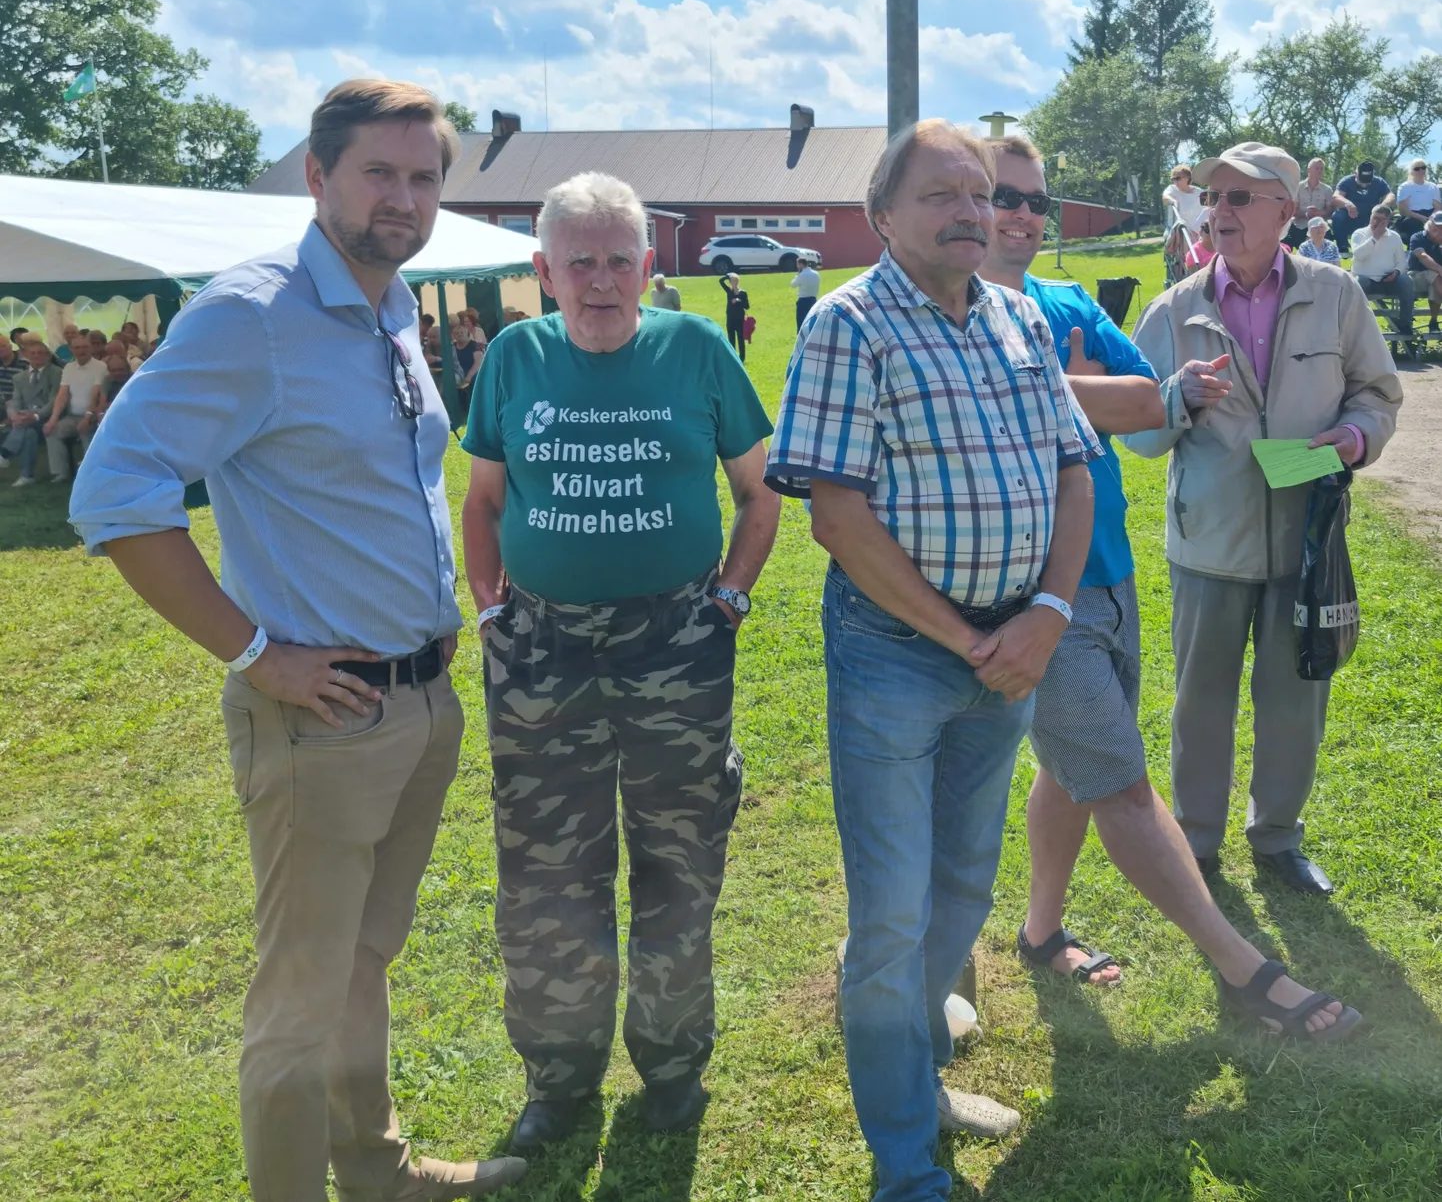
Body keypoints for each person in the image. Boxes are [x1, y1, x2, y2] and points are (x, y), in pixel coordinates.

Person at [69, 78, 527, 1202]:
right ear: (317, 176)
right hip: (319, 714)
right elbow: (114, 491)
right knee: (300, 995)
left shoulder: (386, 305)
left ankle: (373, 1169)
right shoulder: (252, 312)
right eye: (379, 171)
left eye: (423, 178)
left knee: (362, 961)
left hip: (414, 701)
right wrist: (253, 653)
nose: (404, 198)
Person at [766, 119, 1101, 1202]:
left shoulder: (1010, 318)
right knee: (892, 912)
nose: (972, 211)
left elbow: (1070, 469)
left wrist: (1046, 610)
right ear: (881, 217)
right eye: (942, 195)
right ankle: (903, 1165)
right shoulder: (847, 325)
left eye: (983, 192)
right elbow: (836, 517)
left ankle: (915, 1077)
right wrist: (970, 641)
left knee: (960, 888)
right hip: (899, 658)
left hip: (1010, 643)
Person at [980, 134, 1361, 1043]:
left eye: (1040, 202)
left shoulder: (1069, 300)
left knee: (1068, 773)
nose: (1024, 215)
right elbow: (1124, 404)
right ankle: (1249, 972)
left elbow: (1155, 396)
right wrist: (1081, 389)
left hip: (1105, 572)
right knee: (1117, 773)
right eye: (1005, 197)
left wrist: (1086, 391)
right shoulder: (942, 315)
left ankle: (1040, 932)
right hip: (1030, 583)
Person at [460, 171, 780, 1149]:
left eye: (618, 261)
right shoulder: (513, 358)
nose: (600, 280)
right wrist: (489, 612)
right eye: (578, 262)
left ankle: (673, 1066)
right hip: (540, 648)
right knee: (548, 871)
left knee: (677, 861)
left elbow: (759, 494)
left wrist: (725, 599)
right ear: (541, 269)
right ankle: (558, 1084)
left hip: (673, 642)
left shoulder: (696, 351)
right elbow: (481, 501)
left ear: (647, 265)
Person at [1124, 141, 1402, 897]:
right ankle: (1199, 846)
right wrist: (1176, 398)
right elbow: (1140, 434)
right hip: (1209, 544)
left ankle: (1278, 837)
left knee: (1294, 703)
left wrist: (1352, 438)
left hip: (1305, 545)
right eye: (1214, 198)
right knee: (1199, 702)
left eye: (1241, 198)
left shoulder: (1336, 294)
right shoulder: (1174, 309)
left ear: (1289, 208)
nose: (1220, 212)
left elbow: (1378, 395)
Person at [44, 330, 109, 480]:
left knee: (86, 432)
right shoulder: (68, 368)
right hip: (72, 416)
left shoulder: (100, 367)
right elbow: (62, 395)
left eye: (85, 347)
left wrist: (87, 418)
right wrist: (53, 418)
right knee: (52, 430)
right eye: (77, 348)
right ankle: (62, 472)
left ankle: (91, 474)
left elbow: (96, 394)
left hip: (93, 416)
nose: (81, 351)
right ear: (71, 349)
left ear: (91, 348)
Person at [1351, 207, 1416, 351]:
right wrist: (1375, 237)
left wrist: (1396, 272)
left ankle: (1405, 324)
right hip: (1366, 279)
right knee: (1359, 283)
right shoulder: (1359, 233)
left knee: (1406, 281)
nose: (1375, 222)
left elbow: (1401, 261)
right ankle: (1356, 327)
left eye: (1380, 219)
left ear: (1387, 221)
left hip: (1389, 279)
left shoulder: (1394, 237)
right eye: (1374, 218)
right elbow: (1358, 255)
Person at [2, 339, 61, 486]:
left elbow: (54, 401)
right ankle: (26, 476)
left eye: (40, 353)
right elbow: (16, 401)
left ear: (48, 356)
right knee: (29, 433)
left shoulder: (57, 373)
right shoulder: (19, 377)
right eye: (32, 353)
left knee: (27, 427)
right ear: (26, 355)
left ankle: (5, 454)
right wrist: (16, 416)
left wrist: (35, 416)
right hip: (26, 421)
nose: (36, 356)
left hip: (49, 418)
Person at [1331, 159, 1394, 254]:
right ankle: (1343, 247)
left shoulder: (1379, 182)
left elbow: (1391, 196)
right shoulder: (1347, 181)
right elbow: (1336, 196)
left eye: (1367, 181)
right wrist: (1348, 204)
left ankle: (1381, 246)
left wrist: (1383, 205)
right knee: (1338, 215)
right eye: (1362, 180)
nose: (1364, 184)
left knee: (1386, 215)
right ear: (1355, 174)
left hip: (1371, 217)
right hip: (1351, 217)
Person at [78, 349, 132, 442]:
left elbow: (126, 403)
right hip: (109, 413)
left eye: (121, 370)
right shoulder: (108, 380)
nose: (117, 373)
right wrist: (98, 414)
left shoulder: (135, 380)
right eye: (113, 371)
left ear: (127, 369)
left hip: (128, 415)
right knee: (85, 427)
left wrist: (106, 410)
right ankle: (91, 455)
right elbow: (102, 404)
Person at [1285, 158, 1335, 249]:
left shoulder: (1327, 190)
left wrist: (1319, 214)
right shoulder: (1298, 187)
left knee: (1328, 243)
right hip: (1299, 224)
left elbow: (1329, 211)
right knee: (1285, 239)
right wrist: (1306, 214)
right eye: (1317, 168)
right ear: (1309, 170)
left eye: (1321, 168)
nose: (1319, 170)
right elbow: (1292, 209)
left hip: (1319, 226)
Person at [1408, 211, 1442, 332]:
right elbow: (1422, 256)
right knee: (1434, 274)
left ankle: (1433, 322)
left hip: (1436, 280)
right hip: (1415, 277)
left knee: (1435, 282)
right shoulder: (1417, 237)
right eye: (1437, 227)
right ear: (1430, 225)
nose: (1440, 230)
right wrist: (1440, 269)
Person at [1395, 159, 1441, 244]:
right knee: (1412, 225)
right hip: (1412, 215)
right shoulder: (1405, 187)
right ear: (1411, 171)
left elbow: (1437, 207)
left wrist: (1431, 218)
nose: (1421, 170)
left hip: (1431, 215)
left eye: (1423, 168)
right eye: (1417, 168)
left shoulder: (1433, 187)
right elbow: (1403, 209)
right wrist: (1419, 217)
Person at [720, 271, 749, 359]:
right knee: (731, 338)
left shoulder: (743, 293)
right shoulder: (729, 291)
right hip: (730, 318)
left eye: (735, 281)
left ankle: (742, 357)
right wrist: (728, 276)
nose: (733, 283)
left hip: (739, 318)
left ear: (737, 281)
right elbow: (720, 281)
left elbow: (747, 306)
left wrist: (739, 300)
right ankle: (733, 357)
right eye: (732, 281)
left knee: (740, 338)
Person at [791, 255, 821, 330]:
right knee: (812, 320)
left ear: (801, 264)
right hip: (813, 299)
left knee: (801, 321)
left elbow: (793, 284)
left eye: (798, 264)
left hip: (803, 300)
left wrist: (797, 275)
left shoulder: (802, 275)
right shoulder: (816, 274)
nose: (797, 266)